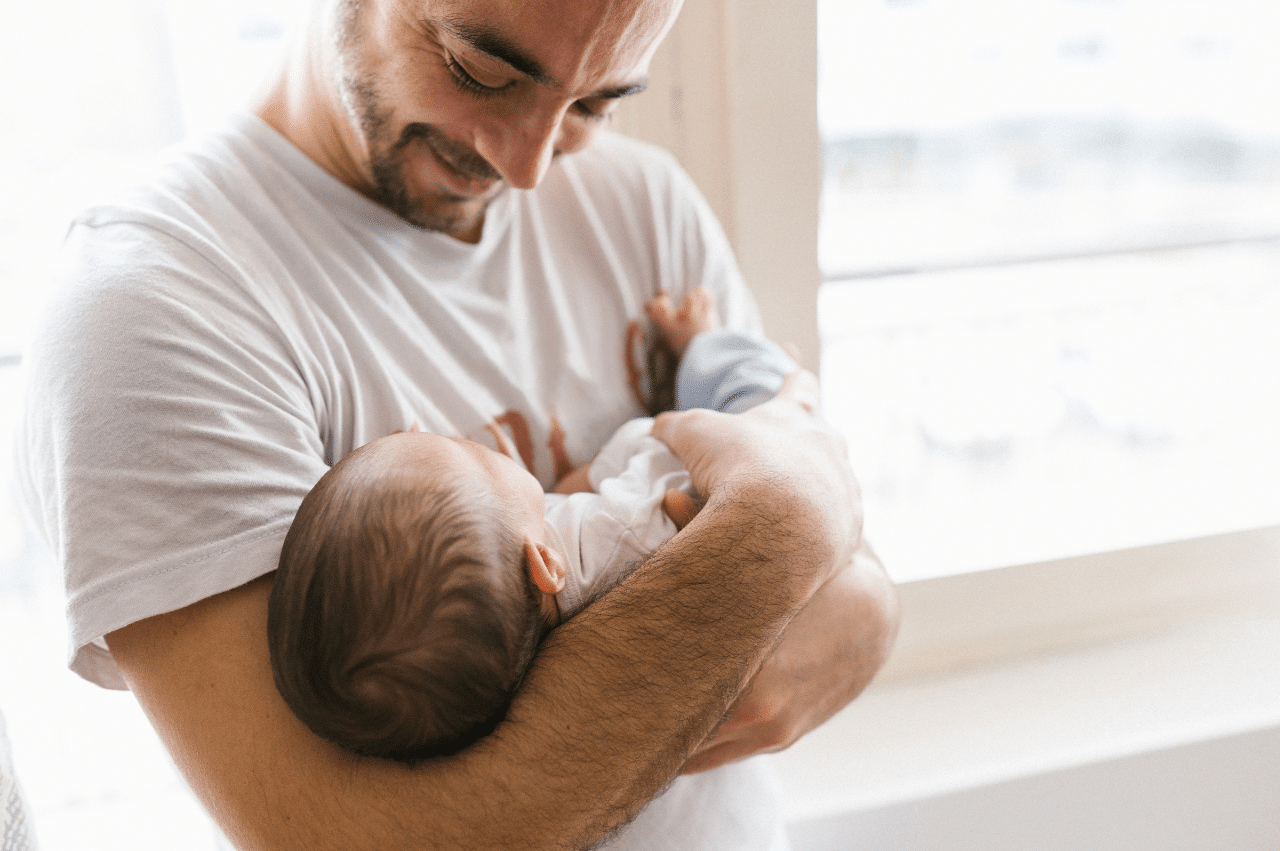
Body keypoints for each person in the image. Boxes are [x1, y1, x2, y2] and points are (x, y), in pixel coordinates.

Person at [15, 0, 900, 848]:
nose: (529, 166)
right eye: (480, 72)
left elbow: (855, 589)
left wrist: (861, 607)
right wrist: (785, 523)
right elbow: (355, 840)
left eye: (593, 103)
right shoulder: (153, 305)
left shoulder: (641, 200)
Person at [268, 287, 797, 763]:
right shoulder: (631, 535)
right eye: (471, 456)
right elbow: (670, 456)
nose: (448, 436)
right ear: (543, 562)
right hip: (744, 457)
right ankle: (713, 345)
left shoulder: (513, 618)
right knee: (743, 387)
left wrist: (576, 486)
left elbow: (565, 504)